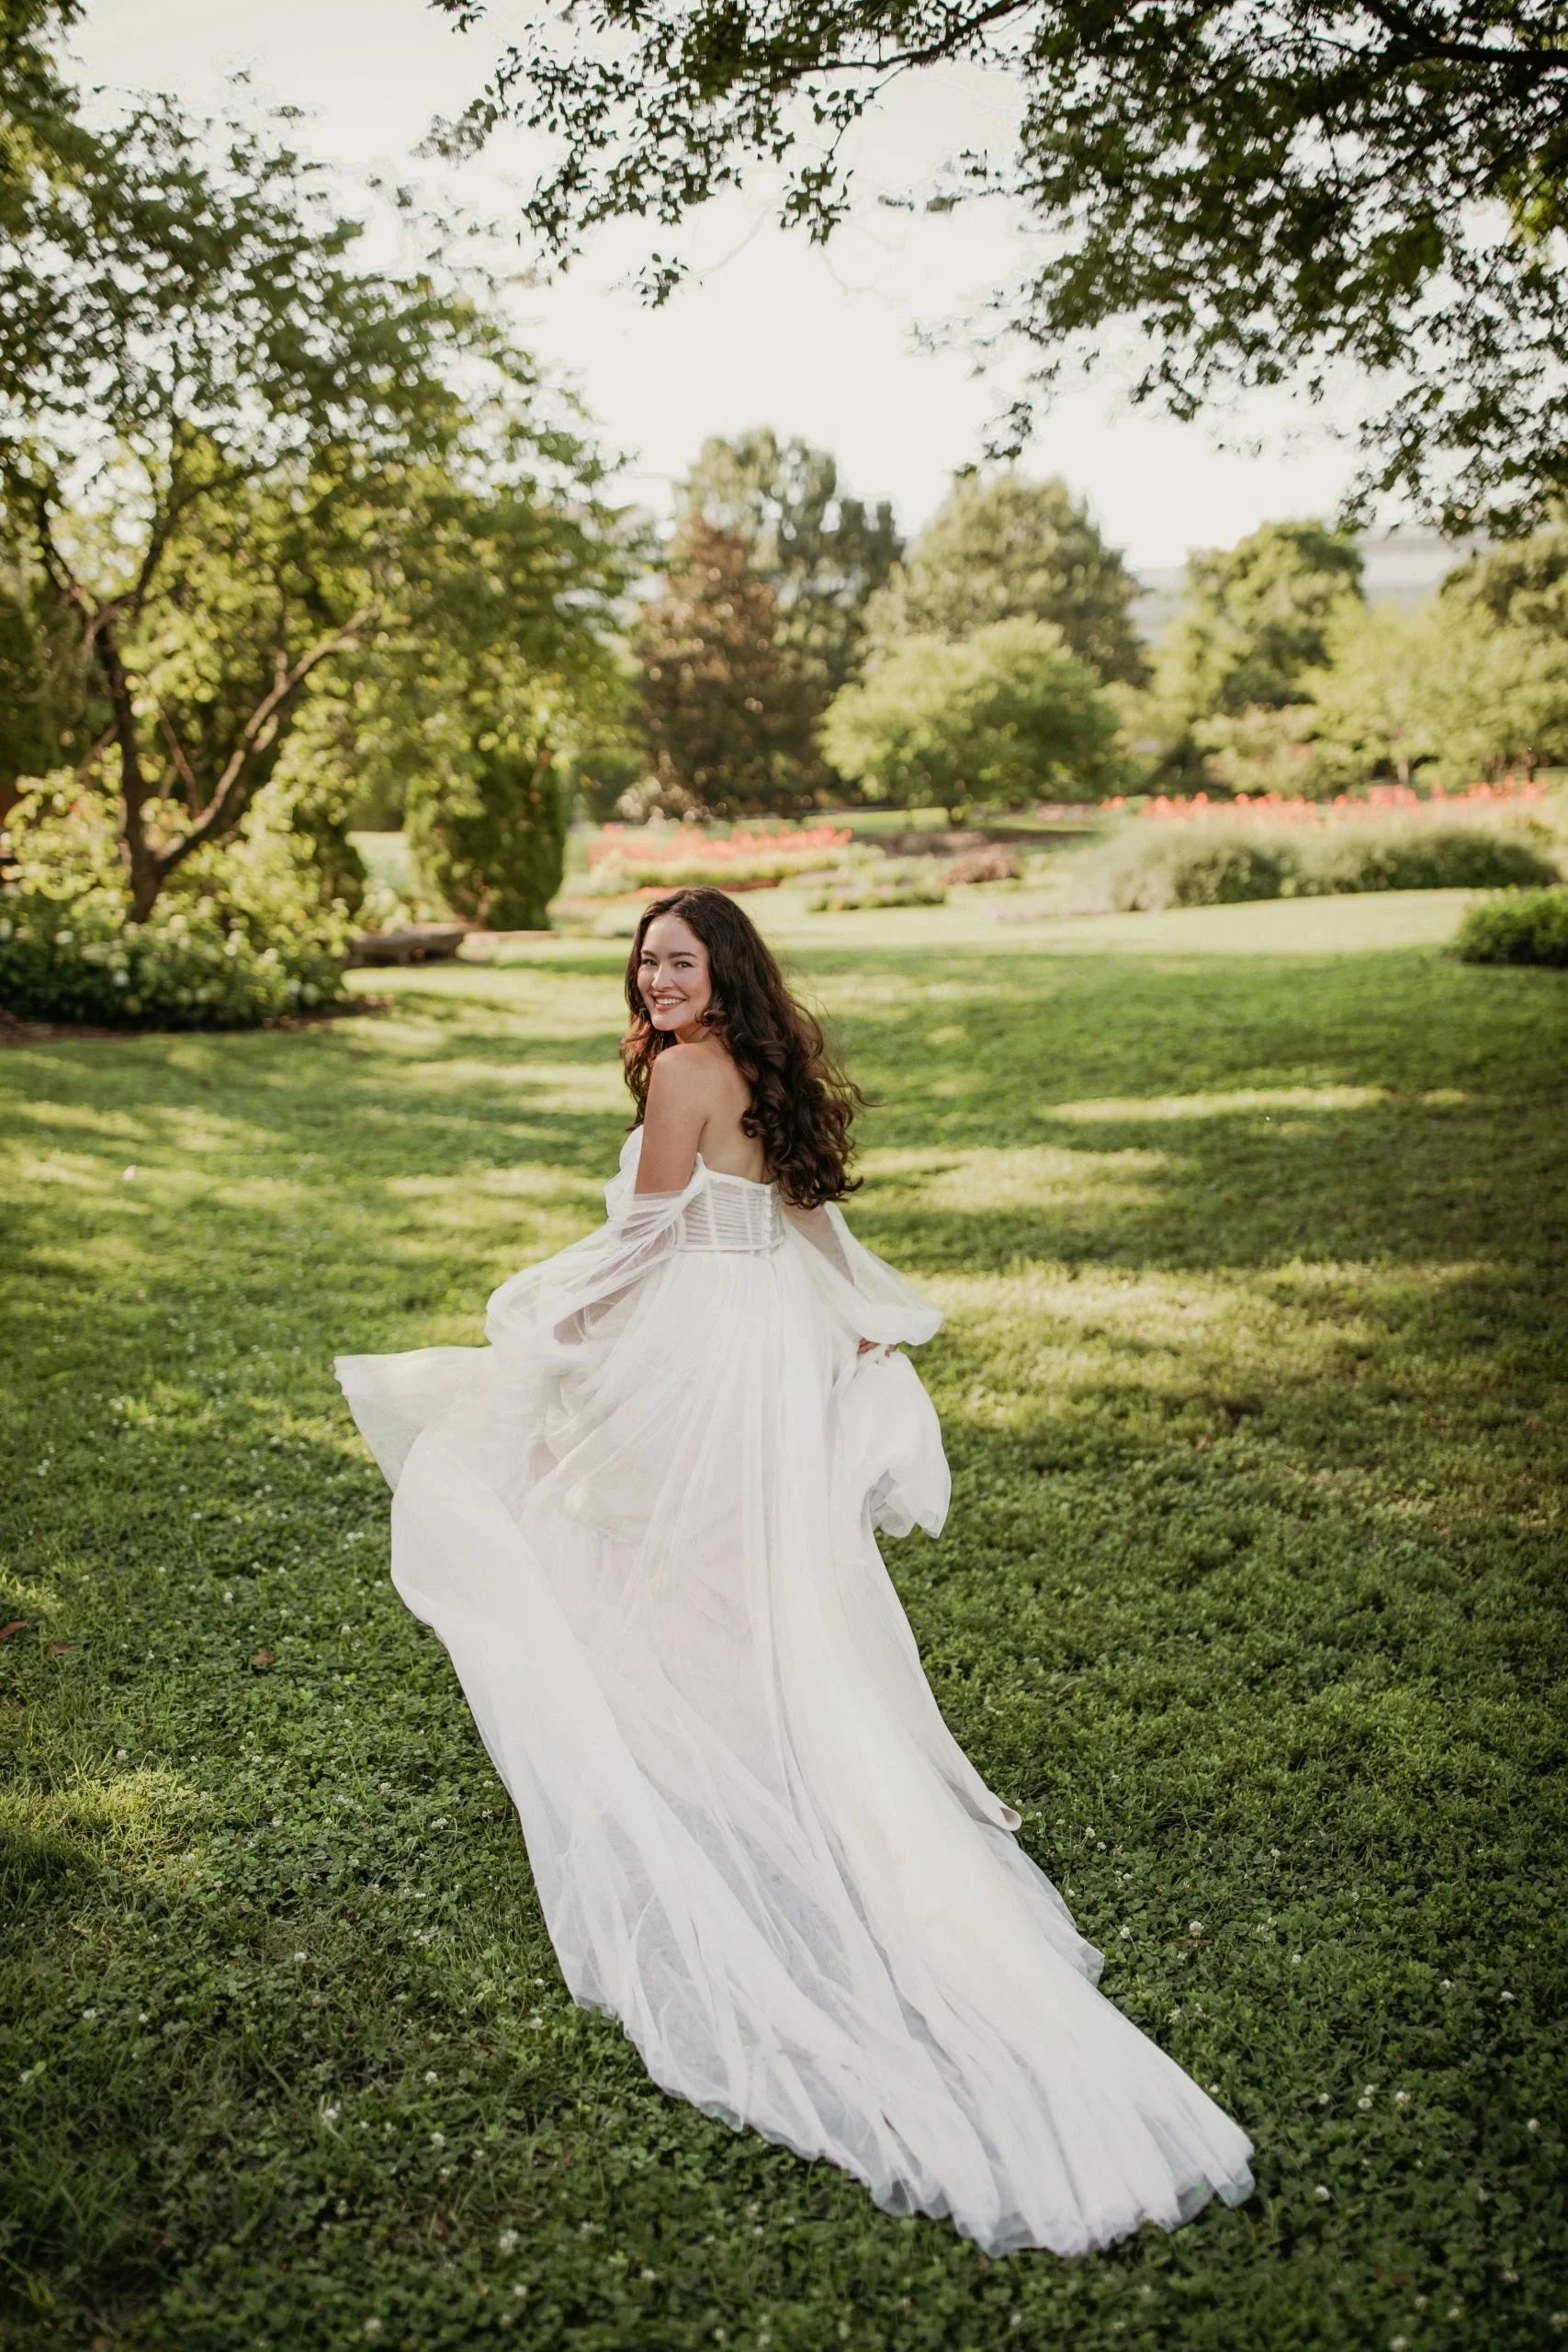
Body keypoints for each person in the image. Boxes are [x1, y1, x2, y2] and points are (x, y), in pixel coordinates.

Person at [334, 887, 1255, 2256]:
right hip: (763, 1339)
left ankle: (696, 1739)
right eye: (645, 961)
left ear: (723, 972)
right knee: (728, 1556)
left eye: (679, 961)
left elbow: (647, 1238)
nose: (656, 979)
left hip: (704, 1341)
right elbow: (805, 1219)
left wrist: (543, 1328)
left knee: (596, 1515)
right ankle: (745, 1718)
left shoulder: (685, 1073)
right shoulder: (762, 1065)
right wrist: (864, 1321)